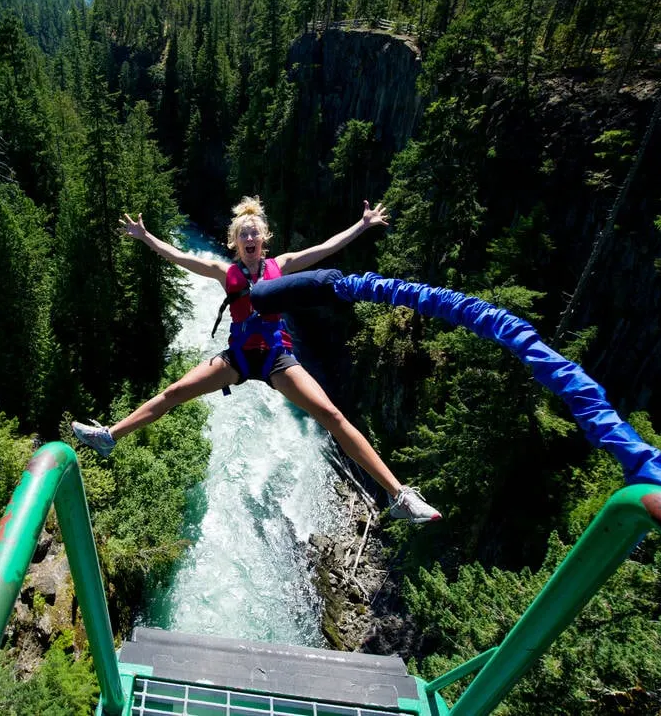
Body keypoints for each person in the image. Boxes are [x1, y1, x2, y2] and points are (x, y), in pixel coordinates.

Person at [71, 196, 441, 524]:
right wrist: (146, 237)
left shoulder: (282, 264)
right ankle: (110, 436)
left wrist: (361, 226)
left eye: (254, 233)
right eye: (243, 234)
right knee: (175, 392)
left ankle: (399, 495)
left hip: (277, 357)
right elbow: (182, 257)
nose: (250, 239)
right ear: (235, 242)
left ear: (264, 240)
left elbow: (325, 249)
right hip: (238, 358)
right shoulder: (224, 272)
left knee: (331, 415)